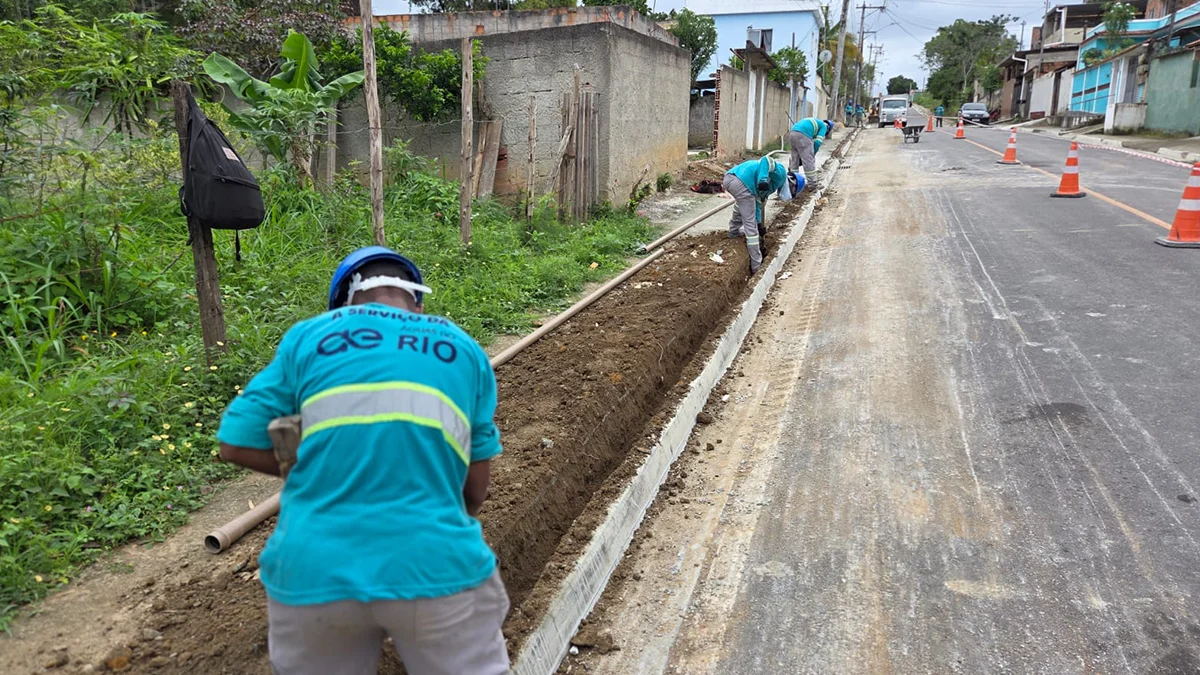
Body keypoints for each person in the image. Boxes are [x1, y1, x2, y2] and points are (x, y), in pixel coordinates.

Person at [217, 246, 509, 675]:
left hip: (313, 570)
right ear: (418, 303)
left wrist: (314, 473)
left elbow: (234, 444)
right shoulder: (462, 348)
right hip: (434, 563)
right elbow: (475, 489)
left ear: (342, 307)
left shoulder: (310, 336)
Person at [722, 156, 795, 275]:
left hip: (730, 179)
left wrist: (760, 224)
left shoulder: (771, 186)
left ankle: (733, 232)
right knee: (750, 225)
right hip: (742, 182)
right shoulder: (781, 174)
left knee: (743, 207)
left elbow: (758, 205)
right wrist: (762, 179)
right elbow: (766, 160)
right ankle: (756, 266)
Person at [788, 116, 828, 190]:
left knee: (795, 160)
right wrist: (812, 154)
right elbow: (817, 143)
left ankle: (793, 182)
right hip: (803, 135)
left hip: (792, 133)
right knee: (808, 161)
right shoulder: (824, 126)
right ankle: (813, 184)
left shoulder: (814, 121)